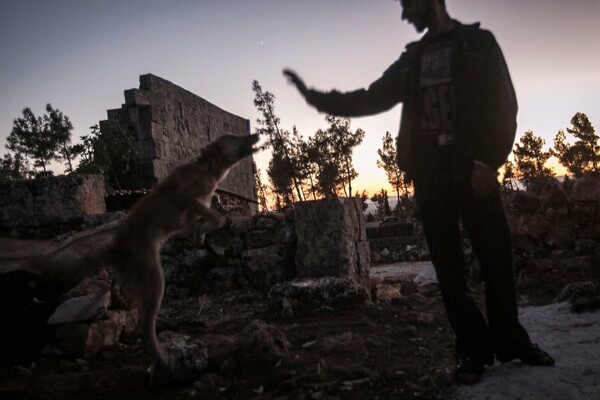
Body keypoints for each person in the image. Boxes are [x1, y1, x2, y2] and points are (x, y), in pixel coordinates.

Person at [283, 0, 554, 385]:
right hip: (430, 176)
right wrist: (316, 98)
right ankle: (473, 349)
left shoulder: (478, 42)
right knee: (449, 271)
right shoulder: (413, 58)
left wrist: (487, 163)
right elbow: (370, 96)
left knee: (497, 261)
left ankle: (511, 341)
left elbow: (503, 104)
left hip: (473, 170)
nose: (405, 15)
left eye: (408, 4)